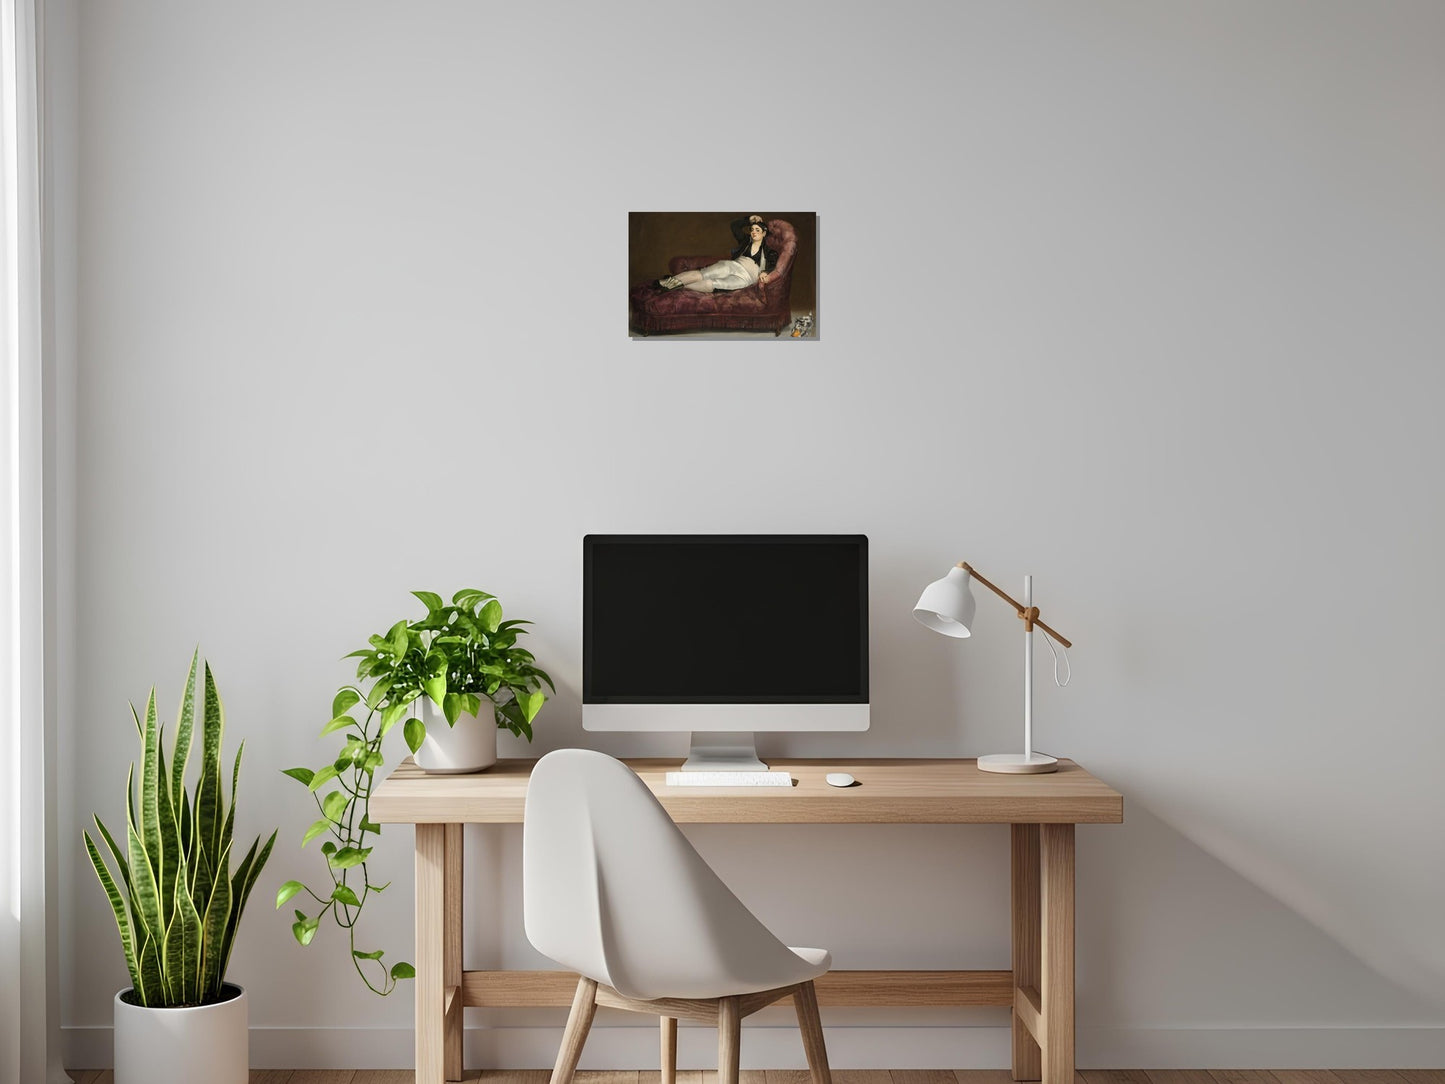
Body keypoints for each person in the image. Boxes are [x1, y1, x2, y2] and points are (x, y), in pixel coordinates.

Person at [657, 214, 780, 293]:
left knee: (712, 284)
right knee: (704, 274)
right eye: (752, 229)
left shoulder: (770, 252)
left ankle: (677, 287)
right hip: (733, 266)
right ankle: (667, 283)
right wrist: (748, 220)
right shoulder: (745, 241)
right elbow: (734, 226)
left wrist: (765, 272)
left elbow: (773, 265)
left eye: (757, 230)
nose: (753, 232)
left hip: (746, 278)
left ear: (764, 233)